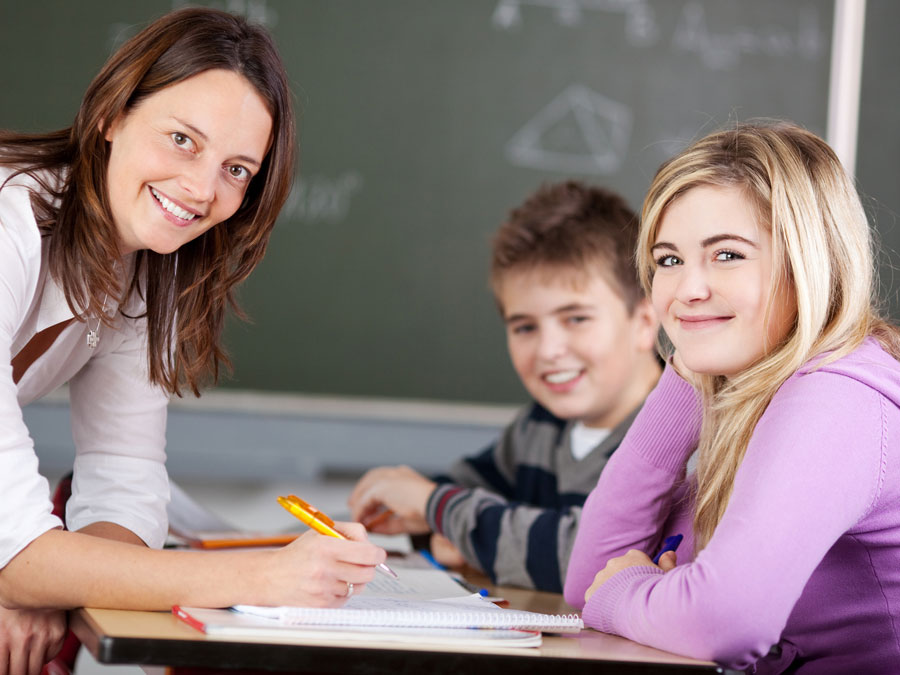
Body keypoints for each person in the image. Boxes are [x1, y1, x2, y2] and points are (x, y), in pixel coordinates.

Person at [0, 8, 386, 673]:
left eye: (237, 169)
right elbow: (20, 557)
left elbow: (123, 483)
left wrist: (55, 575)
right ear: (112, 115)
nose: (203, 189)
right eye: (182, 138)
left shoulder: (146, 266)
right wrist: (259, 576)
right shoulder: (10, 223)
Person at [564, 121, 900, 673]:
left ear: (809, 263)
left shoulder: (837, 399)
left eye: (727, 255)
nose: (687, 290)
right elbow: (590, 578)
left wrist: (632, 592)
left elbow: (723, 621)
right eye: (668, 260)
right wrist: (686, 375)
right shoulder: (752, 389)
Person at [348, 181, 662, 592]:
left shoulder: (672, 438)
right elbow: (461, 501)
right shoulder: (539, 426)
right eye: (525, 326)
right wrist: (438, 523)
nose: (549, 350)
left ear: (644, 322)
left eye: (576, 318)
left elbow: (585, 556)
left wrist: (437, 508)